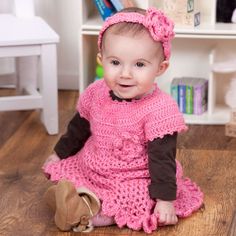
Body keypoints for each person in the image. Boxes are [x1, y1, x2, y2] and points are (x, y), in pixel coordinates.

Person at [43, 7, 203, 233]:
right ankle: (75, 197)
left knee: (130, 202)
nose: (125, 74)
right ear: (102, 60)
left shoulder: (160, 110)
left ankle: (83, 210)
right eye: (115, 62)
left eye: (139, 65)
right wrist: (59, 153)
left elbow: (162, 158)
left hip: (136, 176)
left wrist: (165, 200)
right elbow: (78, 128)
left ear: (160, 68)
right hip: (96, 166)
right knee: (71, 172)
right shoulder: (96, 92)